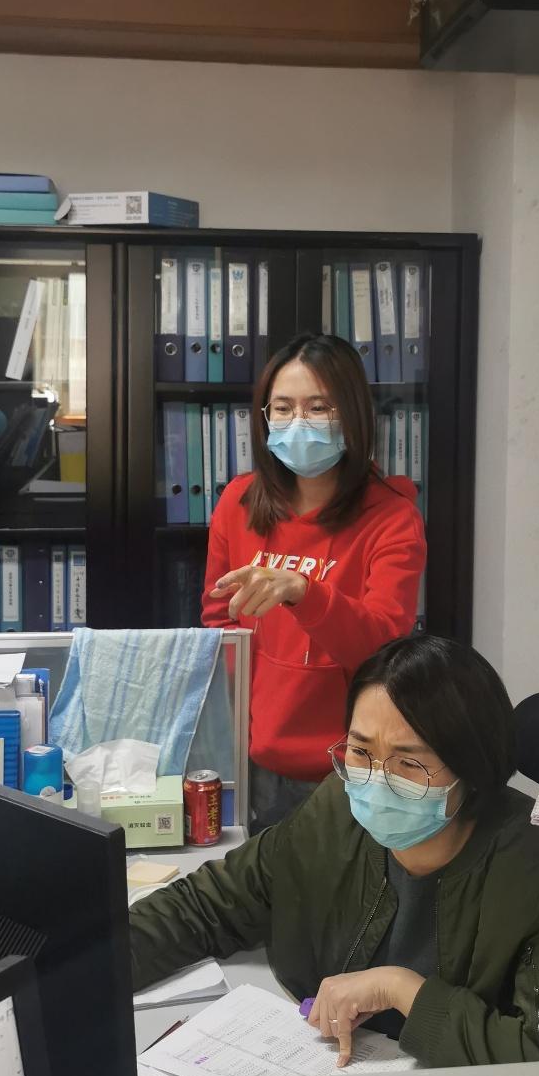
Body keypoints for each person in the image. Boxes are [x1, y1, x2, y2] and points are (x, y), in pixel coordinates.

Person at [128, 635, 539, 1068]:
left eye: (409, 764)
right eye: (361, 752)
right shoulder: (336, 809)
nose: (375, 781)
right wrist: (96, 963)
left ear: (473, 770)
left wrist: (404, 990)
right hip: (321, 1068)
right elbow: (206, 905)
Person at [204, 332, 426, 832]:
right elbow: (219, 619)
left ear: (352, 414)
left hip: (348, 767)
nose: (298, 422)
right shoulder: (239, 501)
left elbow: (384, 645)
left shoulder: (393, 518)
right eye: (282, 408)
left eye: (318, 407)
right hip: (252, 754)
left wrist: (303, 591)